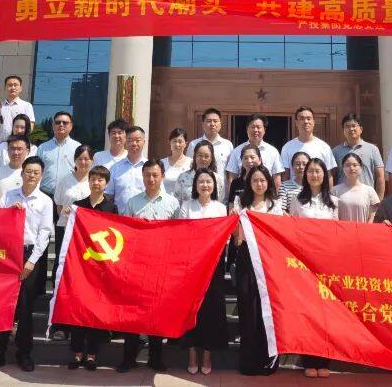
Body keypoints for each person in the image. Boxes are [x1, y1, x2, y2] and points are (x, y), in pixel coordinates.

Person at [0, 156, 53, 373]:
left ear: (41, 176)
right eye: (28, 171)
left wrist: (32, 261)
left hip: (31, 255)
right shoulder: (8, 196)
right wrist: (8, 213)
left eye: (36, 172)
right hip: (8, 254)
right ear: (21, 173)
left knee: (25, 307)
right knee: (4, 304)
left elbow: (44, 233)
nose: (31, 175)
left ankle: (24, 354)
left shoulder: (45, 201)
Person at [118, 160, 180, 373]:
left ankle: (155, 358)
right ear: (142, 176)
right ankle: (128, 358)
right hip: (136, 265)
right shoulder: (132, 202)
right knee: (132, 312)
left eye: (155, 175)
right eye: (147, 175)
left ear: (162, 176)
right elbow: (124, 233)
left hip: (161, 266)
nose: (151, 179)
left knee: (157, 313)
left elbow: (177, 236)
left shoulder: (173, 204)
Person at [176, 169, 229, 374]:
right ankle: (191, 352)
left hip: (213, 265)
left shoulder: (220, 208)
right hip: (191, 265)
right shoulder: (186, 206)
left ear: (214, 185)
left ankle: (207, 353)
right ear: (195, 185)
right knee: (191, 309)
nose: (205, 185)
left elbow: (224, 237)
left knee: (211, 309)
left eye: (208, 181)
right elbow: (182, 234)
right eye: (201, 182)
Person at [288, 158, 338, 378]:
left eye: (318, 171)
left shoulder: (334, 202)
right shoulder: (297, 200)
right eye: (310, 171)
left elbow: (339, 233)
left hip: (327, 264)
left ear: (325, 175)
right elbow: (291, 230)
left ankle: (324, 360)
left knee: (326, 313)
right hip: (304, 263)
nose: (314, 175)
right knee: (307, 312)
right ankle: (308, 359)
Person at [230, 165, 281, 376]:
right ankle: (249, 361)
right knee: (247, 308)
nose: (259, 184)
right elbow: (236, 238)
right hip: (246, 258)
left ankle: (267, 360)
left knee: (265, 309)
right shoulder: (240, 203)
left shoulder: (275, 205)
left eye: (262, 180)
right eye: (255, 180)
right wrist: (234, 220)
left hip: (268, 261)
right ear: (249, 183)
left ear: (268, 182)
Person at [67, 165, 116, 371]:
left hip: (102, 267)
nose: (96, 183)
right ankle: (77, 353)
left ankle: (92, 355)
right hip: (80, 266)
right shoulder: (79, 206)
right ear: (88, 181)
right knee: (78, 308)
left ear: (106, 183)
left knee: (96, 310)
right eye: (93, 179)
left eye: (100, 180)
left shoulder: (112, 208)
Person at [53, 144, 94, 282]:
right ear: (75, 160)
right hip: (65, 227)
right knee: (63, 260)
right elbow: (59, 205)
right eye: (80, 159)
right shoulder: (65, 181)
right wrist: (64, 215)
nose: (83, 162)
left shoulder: (94, 181)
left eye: (86, 159)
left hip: (86, 230)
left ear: (92, 161)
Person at [225, 114, 285, 194]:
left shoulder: (273, 151)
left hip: (265, 197)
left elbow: (276, 178)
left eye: (258, 127)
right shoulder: (237, 151)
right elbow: (232, 177)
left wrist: (274, 197)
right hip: (242, 195)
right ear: (247, 129)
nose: (255, 130)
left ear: (264, 130)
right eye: (252, 127)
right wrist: (231, 197)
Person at [332, 114, 385, 197]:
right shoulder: (336, 151)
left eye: (354, 126)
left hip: (367, 198)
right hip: (343, 198)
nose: (351, 129)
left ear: (361, 129)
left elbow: (380, 177)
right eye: (347, 126)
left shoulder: (372, 149)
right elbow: (332, 177)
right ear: (343, 130)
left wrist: (379, 200)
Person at [0, 74, 35, 152]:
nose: (13, 87)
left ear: (20, 88)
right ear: (5, 88)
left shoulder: (27, 106)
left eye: (15, 85)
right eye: (10, 85)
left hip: (17, 151)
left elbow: (30, 128)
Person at [280, 106, 336, 180]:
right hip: (294, 187)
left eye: (309, 119)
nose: (306, 122)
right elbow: (285, 175)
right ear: (296, 122)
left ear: (313, 122)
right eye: (302, 119)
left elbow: (329, 175)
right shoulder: (287, 147)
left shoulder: (324, 147)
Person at [37, 110, 81, 200]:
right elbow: (37, 171)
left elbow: (82, 172)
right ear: (53, 125)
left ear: (71, 126)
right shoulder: (42, 148)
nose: (61, 125)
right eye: (57, 122)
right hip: (45, 195)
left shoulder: (78, 147)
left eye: (65, 123)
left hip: (69, 196)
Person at [185, 107, 235, 187]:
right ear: (202, 124)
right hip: (198, 189)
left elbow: (230, 172)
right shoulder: (193, 144)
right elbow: (189, 167)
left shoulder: (227, 145)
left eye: (215, 121)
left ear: (220, 124)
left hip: (220, 191)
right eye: (209, 121)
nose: (212, 124)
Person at [332, 152, 380, 222]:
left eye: (355, 165)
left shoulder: (369, 191)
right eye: (347, 165)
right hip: (342, 228)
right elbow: (333, 216)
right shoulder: (335, 191)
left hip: (363, 228)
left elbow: (372, 217)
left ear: (361, 168)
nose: (351, 168)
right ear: (343, 168)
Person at [106, 125, 147, 207]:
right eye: (130, 140)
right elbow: (109, 196)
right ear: (125, 142)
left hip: (143, 214)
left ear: (144, 142)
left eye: (138, 140)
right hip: (120, 214)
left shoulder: (150, 167)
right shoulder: (115, 168)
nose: (134, 144)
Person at [0, 133, 30, 205]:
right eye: (12, 148)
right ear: (7, 150)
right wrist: (12, 202)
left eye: (19, 149)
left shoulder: (31, 174)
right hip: (2, 211)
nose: (15, 152)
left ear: (27, 151)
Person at [175, 139, 219, 203]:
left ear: (211, 158)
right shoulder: (182, 177)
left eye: (206, 156)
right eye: (200, 155)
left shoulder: (218, 179)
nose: (203, 159)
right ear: (195, 156)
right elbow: (176, 202)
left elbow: (220, 202)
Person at [226, 145, 262, 209]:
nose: (249, 161)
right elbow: (231, 204)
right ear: (241, 161)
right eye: (245, 158)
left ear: (260, 160)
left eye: (252, 157)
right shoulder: (235, 183)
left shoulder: (266, 181)